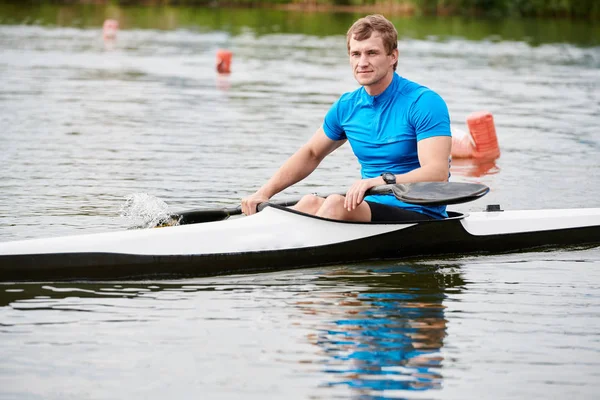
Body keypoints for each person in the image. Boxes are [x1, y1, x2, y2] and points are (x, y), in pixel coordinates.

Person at [241, 14, 452, 222]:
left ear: (393, 56)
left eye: (372, 53)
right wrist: (264, 193)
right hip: (371, 206)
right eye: (356, 54)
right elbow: (312, 153)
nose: (363, 62)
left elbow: (437, 172)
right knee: (310, 202)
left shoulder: (423, 102)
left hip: (420, 211)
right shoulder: (347, 106)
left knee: (334, 203)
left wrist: (380, 181)